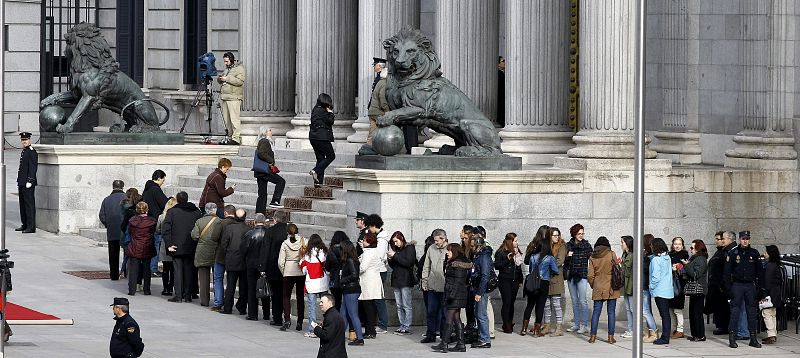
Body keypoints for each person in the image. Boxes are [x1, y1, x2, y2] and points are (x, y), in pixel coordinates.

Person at [723, 230, 762, 348]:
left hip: (750, 285)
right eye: (743, 239)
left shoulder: (754, 253)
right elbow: (727, 272)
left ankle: (753, 338)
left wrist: (761, 289)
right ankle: (732, 337)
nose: (745, 241)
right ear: (740, 239)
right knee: (735, 312)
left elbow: (760, 272)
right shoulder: (733, 253)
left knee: (751, 312)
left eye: (747, 239)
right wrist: (728, 288)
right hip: (737, 285)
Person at [162, 191, 202, 303]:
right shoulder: (196, 212)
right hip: (191, 245)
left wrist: (168, 244)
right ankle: (188, 295)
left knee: (178, 271)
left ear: (178, 200)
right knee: (189, 271)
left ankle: (179, 295)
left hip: (176, 246)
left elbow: (166, 229)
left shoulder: (172, 212)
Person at [433, 243, 472, 353]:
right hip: (455, 294)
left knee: (449, 319)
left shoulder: (458, 265)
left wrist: (451, 296)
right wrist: (446, 262)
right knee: (456, 318)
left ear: (454, 251)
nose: (447, 252)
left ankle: (444, 343)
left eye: (449, 250)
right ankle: (460, 344)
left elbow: (458, 282)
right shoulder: (452, 263)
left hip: (455, 295)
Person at [522, 233, 559, 338]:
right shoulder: (549, 258)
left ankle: (524, 329)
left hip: (532, 282)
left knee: (529, 305)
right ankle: (536, 331)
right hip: (543, 283)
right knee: (540, 306)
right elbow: (556, 270)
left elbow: (531, 270)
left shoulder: (532, 257)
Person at [587, 236, 620, 344]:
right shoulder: (611, 254)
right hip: (611, 286)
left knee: (596, 312)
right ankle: (610, 337)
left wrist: (594, 285)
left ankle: (593, 336)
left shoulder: (592, 257)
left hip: (598, 285)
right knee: (611, 312)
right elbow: (617, 270)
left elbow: (590, 276)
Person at [191, 203, 223, 307]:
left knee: (203, 277)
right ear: (215, 210)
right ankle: (218, 300)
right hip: (216, 251)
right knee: (217, 277)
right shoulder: (220, 221)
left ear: (205, 210)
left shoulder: (199, 221)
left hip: (202, 250)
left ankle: (204, 300)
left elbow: (194, 235)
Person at [219, 208, 250, 314]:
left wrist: (228, 253)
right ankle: (242, 308)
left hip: (231, 259)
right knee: (243, 286)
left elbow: (224, 244)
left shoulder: (230, 228)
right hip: (244, 261)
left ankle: (227, 307)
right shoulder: (248, 229)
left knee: (230, 285)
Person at [363, 214, 390, 333]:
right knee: (375, 298)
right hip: (376, 270)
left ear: (374, 225)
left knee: (378, 298)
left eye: (370, 226)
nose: (369, 229)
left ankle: (383, 324)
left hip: (379, 271)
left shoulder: (382, 239)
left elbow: (379, 256)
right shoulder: (379, 237)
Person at [421, 229, 448, 344]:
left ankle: (444, 335)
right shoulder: (431, 248)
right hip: (432, 286)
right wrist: (424, 282)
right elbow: (426, 266)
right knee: (431, 311)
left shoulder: (450, 249)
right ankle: (430, 334)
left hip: (445, 287)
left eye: (437, 240)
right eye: (434, 240)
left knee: (444, 313)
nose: (435, 243)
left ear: (443, 238)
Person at [336, 239, 364, 346]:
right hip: (349, 289)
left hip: (351, 289)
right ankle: (339, 336)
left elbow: (354, 275)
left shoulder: (350, 260)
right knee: (343, 314)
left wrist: (342, 280)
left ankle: (360, 338)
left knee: (352, 314)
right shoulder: (351, 259)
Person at [387, 231, 417, 335]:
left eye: (396, 241)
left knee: (406, 305)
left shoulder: (410, 248)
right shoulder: (396, 249)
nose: (395, 244)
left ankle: (407, 326)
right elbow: (393, 266)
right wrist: (390, 258)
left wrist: (395, 255)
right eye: (393, 242)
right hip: (396, 279)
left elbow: (408, 262)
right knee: (399, 305)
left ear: (401, 239)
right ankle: (402, 325)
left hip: (405, 279)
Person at [565, 223, 592, 333]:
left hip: (582, 275)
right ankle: (576, 324)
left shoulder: (586, 245)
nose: (581, 235)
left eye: (582, 233)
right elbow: (564, 261)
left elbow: (592, 259)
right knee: (574, 301)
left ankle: (584, 325)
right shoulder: (568, 245)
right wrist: (567, 256)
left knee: (583, 301)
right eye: (579, 233)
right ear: (574, 234)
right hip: (571, 276)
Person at [262, 210, 289, 324]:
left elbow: (266, 250)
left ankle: (277, 317)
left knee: (275, 293)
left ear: (275, 219)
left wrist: (263, 267)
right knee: (284, 293)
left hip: (273, 266)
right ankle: (285, 316)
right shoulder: (289, 231)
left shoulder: (270, 231)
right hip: (288, 267)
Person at [300, 234, 329, 337]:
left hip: (311, 284)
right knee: (327, 307)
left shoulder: (307, 255)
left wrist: (301, 260)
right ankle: (327, 327)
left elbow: (304, 270)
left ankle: (312, 330)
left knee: (312, 308)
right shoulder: (324, 252)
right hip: (323, 283)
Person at [241, 213, 269, 320]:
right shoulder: (268, 233)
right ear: (264, 221)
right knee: (265, 286)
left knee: (252, 288)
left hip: (251, 263)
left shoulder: (250, 234)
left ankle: (253, 314)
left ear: (254, 221)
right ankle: (266, 313)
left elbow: (244, 249)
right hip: (264, 263)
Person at [493, 233, 522, 334]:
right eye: (515, 241)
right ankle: (506, 324)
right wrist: (507, 259)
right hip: (505, 280)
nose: (517, 243)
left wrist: (520, 280)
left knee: (512, 302)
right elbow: (497, 266)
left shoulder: (517, 251)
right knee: (507, 302)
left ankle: (509, 321)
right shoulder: (501, 252)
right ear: (510, 241)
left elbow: (519, 267)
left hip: (515, 280)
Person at [278, 223, 306, 331]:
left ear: (287, 232)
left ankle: (287, 320)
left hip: (288, 270)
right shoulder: (303, 241)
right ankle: (299, 322)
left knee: (286, 296)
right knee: (300, 297)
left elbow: (280, 261)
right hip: (300, 271)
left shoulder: (285, 243)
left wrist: (284, 271)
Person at [125, 201, 157, 296]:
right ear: (147, 210)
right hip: (147, 245)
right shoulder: (152, 221)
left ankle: (132, 290)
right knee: (147, 269)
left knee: (133, 269)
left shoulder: (132, 221)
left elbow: (129, 232)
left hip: (135, 245)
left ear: (137, 210)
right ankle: (147, 289)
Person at [707, 230, 735, 335]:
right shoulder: (720, 251)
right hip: (716, 284)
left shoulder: (727, 252)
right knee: (718, 307)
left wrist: (722, 285)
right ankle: (721, 325)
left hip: (721, 284)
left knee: (722, 307)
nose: (718, 241)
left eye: (720, 239)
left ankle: (723, 326)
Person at [210, 204, 237, 311]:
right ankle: (228, 303)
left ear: (225, 213)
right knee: (231, 281)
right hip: (234, 256)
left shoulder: (221, 223)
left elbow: (213, 237)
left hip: (220, 255)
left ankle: (218, 302)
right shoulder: (238, 223)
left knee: (218, 279)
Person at [142, 169, 168, 277]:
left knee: (150, 245)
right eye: (163, 180)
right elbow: (164, 203)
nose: (163, 182)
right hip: (156, 221)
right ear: (159, 178)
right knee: (156, 244)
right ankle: (153, 268)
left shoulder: (147, 189)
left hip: (147, 220)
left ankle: (148, 267)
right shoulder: (156, 189)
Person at [253, 126, 286, 210]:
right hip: (264, 170)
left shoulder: (263, 141)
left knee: (262, 194)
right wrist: (270, 161)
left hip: (260, 171)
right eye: (269, 130)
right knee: (281, 181)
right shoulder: (265, 141)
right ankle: (275, 201)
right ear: (265, 133)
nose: (271, 132)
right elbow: (261, 153)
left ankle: (260, 213)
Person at [358, 232, 384, 339]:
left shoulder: (368, 253)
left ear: (368, 242)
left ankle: (370, 331)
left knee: (368, 308)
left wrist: (354, 271)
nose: (363, 242)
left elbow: (362, 268)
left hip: (368, 282)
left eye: (364, 240)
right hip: (373, 281)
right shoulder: (373, 251)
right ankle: (370, 330)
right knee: (370, 307)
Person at [100, 180, 127, 280]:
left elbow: (102, 215)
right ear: (123, 187)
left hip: (112, 230)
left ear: (113, 186)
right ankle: (127, 273)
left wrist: (108, 224)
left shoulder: (106, 200)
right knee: (128, 253)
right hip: (125, 230)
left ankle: (114, 275)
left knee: (113, 254)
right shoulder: (127, 198)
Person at [470, 234, 493, 348]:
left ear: (478, 245)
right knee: (478, 314)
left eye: (473, 246)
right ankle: (482, 337)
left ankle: (485, 339)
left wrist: (479, 293)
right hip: (477, 287)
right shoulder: (478, 256)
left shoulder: (484, 257)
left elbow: (485, 276)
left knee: (481, 314)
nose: (471, 248)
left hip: (481, 289)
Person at [649, 237, 674, 345]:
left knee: (664, 315)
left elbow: (655, 277)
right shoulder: (667, 257)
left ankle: (665, 337)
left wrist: (651, 287)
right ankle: (666, 336)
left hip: (659, 290)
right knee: (666, 314)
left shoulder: (656, 260)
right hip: (667, 289)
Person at [683, 239, 708, 341]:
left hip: (699, 290)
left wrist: (686, 265)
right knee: (692, 313)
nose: (691, 250)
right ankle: (695, 334)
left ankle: (700, 335)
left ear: (698, 249)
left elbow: (696, 274)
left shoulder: (701, 259)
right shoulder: (694, 258)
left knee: (697, 313)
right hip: (695, 290)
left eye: (692, 248)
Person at [218, 51, 245, 145]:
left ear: (232, 60)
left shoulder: (239, 68)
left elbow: (240, 81)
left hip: (234, 97)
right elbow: (223, 79)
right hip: (225, 97)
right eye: (224, 61)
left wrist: (227, 79)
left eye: (227, 61)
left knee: (234, 119)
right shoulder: (227, 70)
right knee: (227, 120)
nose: (225, 63)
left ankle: (236, 138)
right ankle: (229, 137)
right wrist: (220, 79)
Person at [308, 93, 336, 187]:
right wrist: (330, 112)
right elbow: (330, 121)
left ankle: (318, 183)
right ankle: (315, 171)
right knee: (331, 156)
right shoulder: (323, 111)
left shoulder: (315, 109)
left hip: (313, 137)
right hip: (322, 137)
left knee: (320, 159)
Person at [544, 227, 567, 336]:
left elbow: (559, 261)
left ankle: (559, 328)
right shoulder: (547, 246)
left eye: (558, 235)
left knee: (556, 304)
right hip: (546, 278)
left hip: (556, 278)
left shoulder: (561, 246)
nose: (557, 237)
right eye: (554, 235)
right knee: (546, 304)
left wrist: (546, 266)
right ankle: (547, 325)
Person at [312, 293, 347, 358]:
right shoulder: (332, 315)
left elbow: (326, 335)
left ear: (330, 303)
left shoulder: (332, 317)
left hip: (332, 354)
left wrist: (316, 328)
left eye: (322, 302)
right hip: (335, 352)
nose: (320, 304)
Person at [760, 245, 783, 345]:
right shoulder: (776, 264)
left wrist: (764, 294)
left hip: (770, 293)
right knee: (773, 313)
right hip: (776, 292)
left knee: (767, 313)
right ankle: (773, 333)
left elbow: (767, 282)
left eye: (766, 252)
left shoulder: (769, 266)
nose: (764, 254)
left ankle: (771, 335)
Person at [16, 132, 37, 234]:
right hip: (22, 181)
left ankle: (31, 227)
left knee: (29, 205)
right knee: (23, 204)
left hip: (28, 182)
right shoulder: (25, 151)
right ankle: (24, 224)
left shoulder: (32, 152)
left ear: (29, 140)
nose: (24, 141)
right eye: (22, 140)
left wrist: (30, 180)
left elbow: (33, 167)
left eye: (26, 140)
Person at [668, 237, 689, 339]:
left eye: (679, 244)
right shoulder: (669, 254)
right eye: (675, 244)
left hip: (680, 284)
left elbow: (686, 269)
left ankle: (680, 330)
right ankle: (675, 328)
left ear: (682, 245)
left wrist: (679, 267)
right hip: (670, 284)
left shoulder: (685, 255)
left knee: (678, 308)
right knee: (671, 308)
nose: (677, 246)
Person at [119, 188, 142, 280]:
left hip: (127, 234)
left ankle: (126, 272)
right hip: (137, 235)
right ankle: (132, 274)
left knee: (127, 254)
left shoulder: (125, 207)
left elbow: (123, 224)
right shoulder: (139, 208)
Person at [156, 197, 178, 296]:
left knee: (165, 268)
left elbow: (158, 230)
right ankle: (170, 288)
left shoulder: (161, 217)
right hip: (175, 242)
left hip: (165, 243)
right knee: (173, 269)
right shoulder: (177, 217)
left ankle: (165, 288)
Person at [367, 57, 388, 145]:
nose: (374, 67)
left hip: (375, 109)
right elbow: (381, 97)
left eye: (375, 65)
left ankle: (370, 147)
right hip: (378, 110)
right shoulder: (381, 79)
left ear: (379, 66)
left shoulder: (380, 78)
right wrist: (387, 110)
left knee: (372, 133)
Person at [641, 234, 659, 342]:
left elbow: (646, 270)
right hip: (645, 286)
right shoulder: (649, 256)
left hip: (645, 286)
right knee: (647, 310)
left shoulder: (650, 258)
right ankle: (650, 331)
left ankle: (653, 332)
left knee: (645, 311)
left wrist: (642, 257)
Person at [326, 231, 349, 310]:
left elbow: (327, 267)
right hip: (346, 278)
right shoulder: (347, 249)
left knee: (336, 301)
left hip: (334, 279)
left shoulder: (331, 250)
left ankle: (336, 316)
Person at [620, 236, 635, 339]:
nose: (621, 244)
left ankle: (634, 329)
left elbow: (629, 271)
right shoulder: (624, 254)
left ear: (627, 243)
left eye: (622, 242)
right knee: (628, 309)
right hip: (625, 285)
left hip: (631, 285)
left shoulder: (633, 255)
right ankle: (630, 329)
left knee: (632, 309)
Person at [496, 56, 505, 128]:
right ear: (498, 64)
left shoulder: (501, 73)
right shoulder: (499, 74)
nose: (505, 62)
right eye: (503, 61)